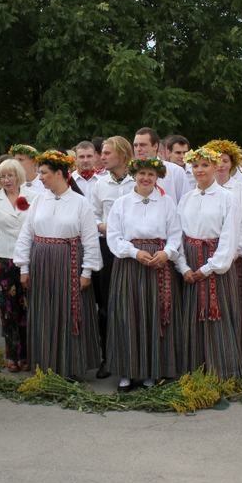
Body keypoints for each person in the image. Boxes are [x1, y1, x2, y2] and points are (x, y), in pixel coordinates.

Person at [13, 150, 102, 379]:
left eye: (44, 173)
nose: (40, 177)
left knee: (69, 313)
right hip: (41, 263)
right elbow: (26, 233)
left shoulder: (81, 203)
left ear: (60, 174)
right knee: (44, 312)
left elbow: (90, 239)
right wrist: (24, 267)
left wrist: (87, 271)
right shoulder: (39, 200)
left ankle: (71, 367)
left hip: (69, 262)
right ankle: (46, 365)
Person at [106, 157, 182, 389]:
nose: (146, 178)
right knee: (128, 315)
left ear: (157, 177)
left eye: (150, 174)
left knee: (155, 316)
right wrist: (133, 252)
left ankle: (151, 370)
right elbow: (113, 235)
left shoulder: (167, 202)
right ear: (134, 176)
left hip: (158, 264)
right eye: (142, 174)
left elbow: (176, 233)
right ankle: (128, 371)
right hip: (130, 264)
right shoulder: (122, 203)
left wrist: (167, 253)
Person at [174, 146, 241, 378]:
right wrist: (182, 266)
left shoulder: (228, 198)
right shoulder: (185, 199)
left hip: (214, 264)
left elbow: (229, 236)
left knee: (216, 314)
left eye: (205, 165)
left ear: (214, 167)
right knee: (192, 315)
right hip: (190, 262)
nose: (199, 170)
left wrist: (209, 268)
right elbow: (178, 234)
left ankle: (221, 370)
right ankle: (194, 369)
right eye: (195, 166)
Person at [206, 139, 242, 363]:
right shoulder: (201, 188)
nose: (220, 165)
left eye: (225, 161)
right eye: (216, 161)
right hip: (210, 255)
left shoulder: (241, 188)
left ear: (232, 163)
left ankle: (240, 351)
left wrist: (239, 250)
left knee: (238, 301)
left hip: (236, 256)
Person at [88, 135, 135, 377]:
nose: (102, 157)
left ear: (122, 155)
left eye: (106, 153)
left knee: (133, 303)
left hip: (134, 248)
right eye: (102, 153)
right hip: (107, 249)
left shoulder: (139, 180)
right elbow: (92, 214)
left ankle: (135, 356)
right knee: (106, 304)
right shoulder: (99, 184)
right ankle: (107, 357)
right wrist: (102, 226)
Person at [0, 159, 30, 371]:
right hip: (2, 259)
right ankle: (12, 353)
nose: (6, 180)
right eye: (2, 176)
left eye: (10, 175)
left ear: (18, 175)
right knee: (9, 309)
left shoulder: (33, 196)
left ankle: (29, 353)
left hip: (28, 258)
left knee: (28, 307)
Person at [133, 127, 187, 202]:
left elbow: (184, 202)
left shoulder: (175, 171)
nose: (138, 149)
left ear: (155, 146)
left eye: (143, 145)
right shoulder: (131, 172)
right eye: (135, 145)